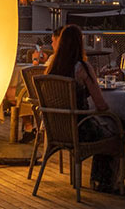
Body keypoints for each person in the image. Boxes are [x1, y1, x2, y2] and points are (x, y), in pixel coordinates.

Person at [46, 24, 120, 193]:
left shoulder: (52, 68)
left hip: (58, 130)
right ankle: (104, 182)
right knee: (114, 132)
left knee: (105, 128)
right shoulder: (82, 68)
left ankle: (99, 180)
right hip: (81, 129)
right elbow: (101, 105)